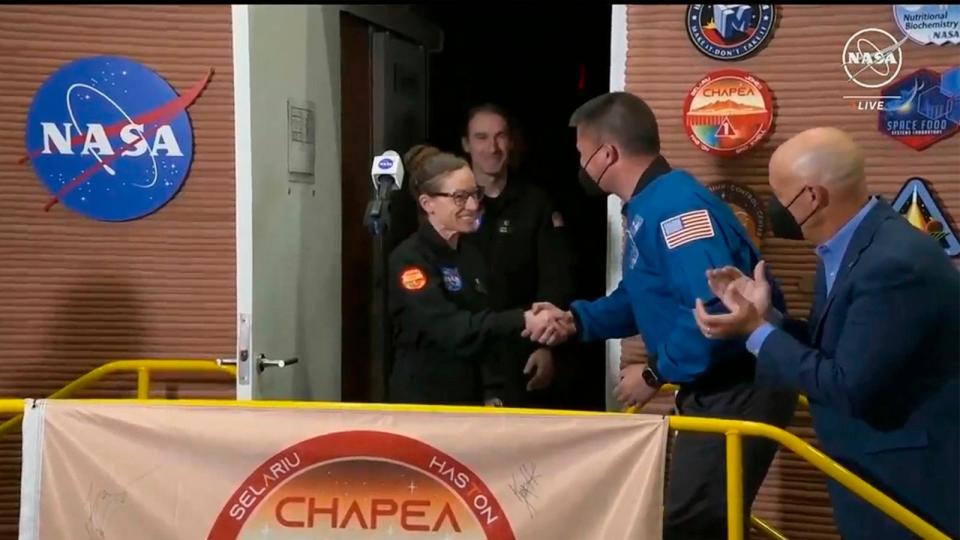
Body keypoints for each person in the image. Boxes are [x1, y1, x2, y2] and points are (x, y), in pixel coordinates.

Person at [526, 92, 797, 539]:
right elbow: (640, 297)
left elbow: (716, 307)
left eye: (582, 155)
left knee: (693, 526)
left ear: (607, 154)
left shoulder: (675, 209)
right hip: (717, 388)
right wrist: (574, 320)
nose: (581, 168)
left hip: (737, 388)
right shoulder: (650, 205)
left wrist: (653, 373)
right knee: (700, 519)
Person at [693, 127, 959, 539]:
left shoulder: (892, 264)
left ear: (812, 197)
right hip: (870, 469)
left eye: (779, 196)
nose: (774, 208)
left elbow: (848, 386)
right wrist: (769, 318)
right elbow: (840, 348)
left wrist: (756, 333)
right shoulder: (849, 248)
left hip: (909, 484)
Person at [387, 148, 556, 406]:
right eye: (459, 197)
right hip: (426, 403)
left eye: (475, 194)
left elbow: (484, 328)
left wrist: (492, 390)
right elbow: (451, 329)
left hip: (471, 402)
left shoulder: (471, 254)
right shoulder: (410, 259)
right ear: (427, 204)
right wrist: (521, 320)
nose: (473, 205)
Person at [460, 103, 576, 407]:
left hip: (521, 354)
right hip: (463, 352)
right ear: (466, 144)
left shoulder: (536, 203)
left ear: (511, 142)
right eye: (481, 137)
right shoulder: (450, 204)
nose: (492, 147)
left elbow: (555, 278)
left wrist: (547, 348)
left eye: (500, 137)